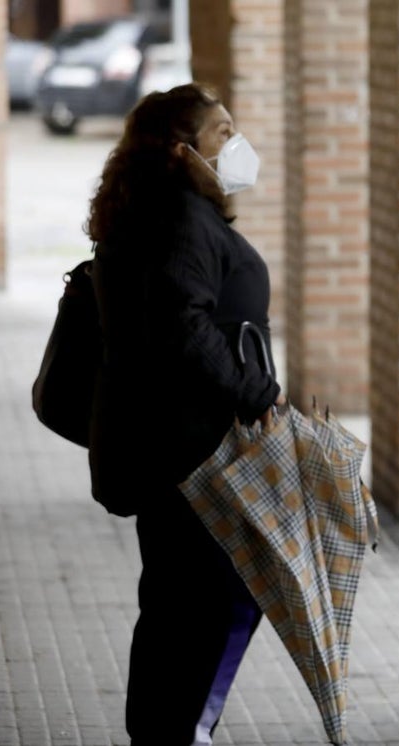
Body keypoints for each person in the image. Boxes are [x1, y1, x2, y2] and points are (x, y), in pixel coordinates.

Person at [85, 83, 285, 745]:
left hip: (174, 450)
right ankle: (178, 731)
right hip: (190, 456)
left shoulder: (168, 212)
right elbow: (183, 327)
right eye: (222, 133)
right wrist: (257, 393)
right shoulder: (178, 219)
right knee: (199, 607)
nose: (236, 143)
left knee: (179, 607)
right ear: (179, 151)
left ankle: (168, 730)